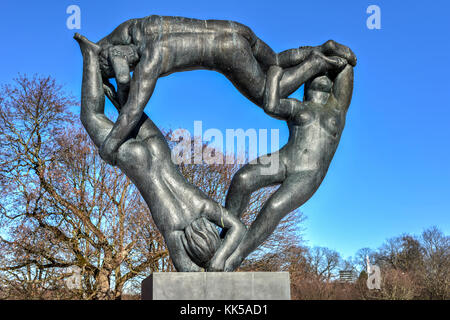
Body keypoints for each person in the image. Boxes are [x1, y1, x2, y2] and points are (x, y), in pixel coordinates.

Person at [74, 33, 246, 272]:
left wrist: (222, 256)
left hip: (159, 149)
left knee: (130, 111)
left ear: (210, 234)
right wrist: (214, 267)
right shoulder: (174, 230)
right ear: (191, 248)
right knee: (92, 116)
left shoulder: (203, 207)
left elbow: (239, 228)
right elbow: (187, 270)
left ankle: (124, 82)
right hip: (137, 162)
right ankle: (90, 55)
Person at [92, 15, 356, 166]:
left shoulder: (150, 57)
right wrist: (103, 54)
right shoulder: (140, 27)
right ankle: (322, 47)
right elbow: (111, 44)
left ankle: (315, 63)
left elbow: (133, 109)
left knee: (267, 95)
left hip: (228, 52)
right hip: (237, 30)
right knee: (274, 60)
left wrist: (110, 145)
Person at [222, 63, 354, 271]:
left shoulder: (337, 108)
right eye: (315, 73)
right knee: (243, 179)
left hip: (309, 173)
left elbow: (347, 62)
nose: (321, 76)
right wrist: (274, 74)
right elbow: (272, 105)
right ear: (306, 82)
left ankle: (235, 257)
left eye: (326, 75)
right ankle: (224, 235)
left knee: (274, 207)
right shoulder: (298, 106)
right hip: (285, 159)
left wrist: (325, 55)